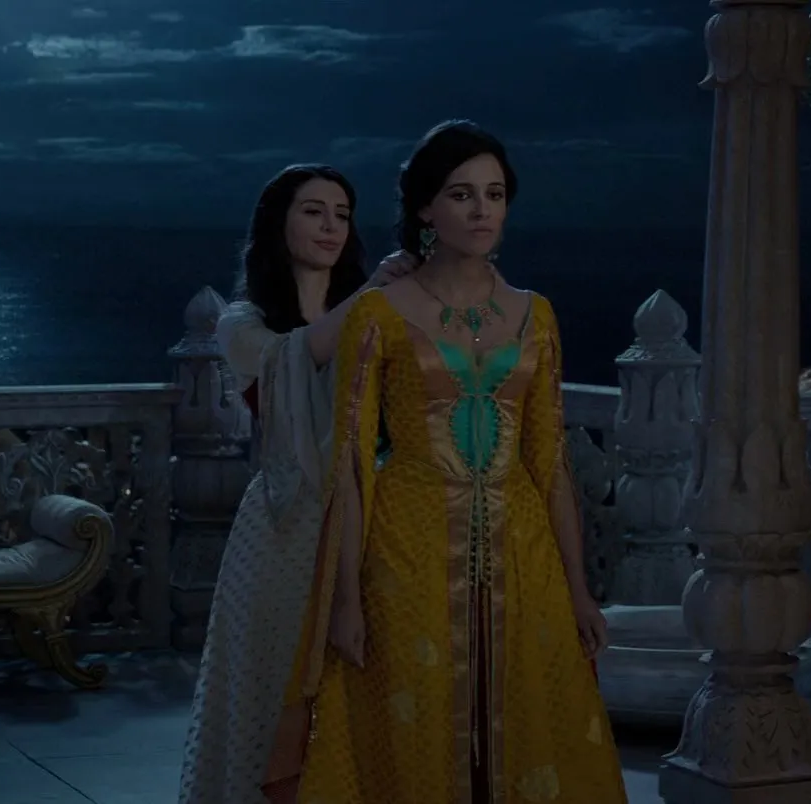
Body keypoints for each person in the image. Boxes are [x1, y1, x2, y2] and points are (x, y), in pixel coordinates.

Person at [264, 121, 625, 804]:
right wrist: (345, 600)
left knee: (528, 727)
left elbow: (550, 462)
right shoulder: (379, 314)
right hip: (407, 549)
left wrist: (579, 589)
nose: (482, 210)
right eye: (462, 195)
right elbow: (352, 464)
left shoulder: (535, 314)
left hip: (524, 553)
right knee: (417, 727)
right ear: (426, 208)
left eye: (495, 194)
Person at [177, 164, 414, 804]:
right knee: (274, 680)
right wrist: (374, 293)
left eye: (342, 214)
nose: (331, 226)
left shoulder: (375, 313)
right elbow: (297, 354)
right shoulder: (242, 321)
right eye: (314, 211)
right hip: (285, 522)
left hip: (374, 514)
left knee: (366, 684)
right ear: (278, 223)